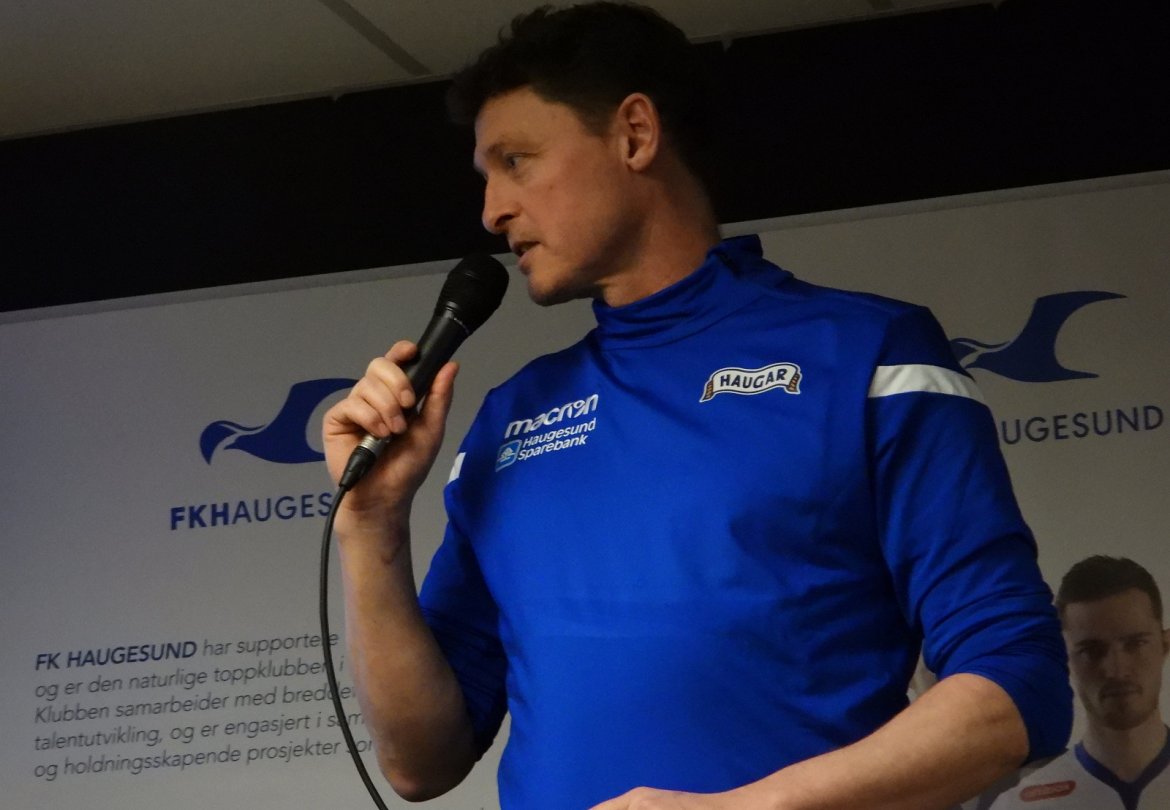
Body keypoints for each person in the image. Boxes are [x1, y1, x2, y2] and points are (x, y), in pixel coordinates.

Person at [322, 4, 1072, 808]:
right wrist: (371, 523)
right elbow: (421, 761)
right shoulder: (512, 417)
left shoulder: (867, 355)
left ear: (635, 134)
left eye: (516, 161)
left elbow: (1017, 686)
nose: (491, 209)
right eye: (486, 175)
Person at [987, 556, 1170, 809]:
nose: (1116, 670)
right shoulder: (1020, 805)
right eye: (1092, 650)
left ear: (1164, 645)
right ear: (1065, 658)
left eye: (1135, 644)